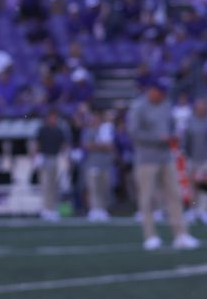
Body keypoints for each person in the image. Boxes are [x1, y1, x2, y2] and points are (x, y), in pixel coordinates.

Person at [127, 78, 199, 250]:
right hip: (146, 159)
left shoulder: (166, 104)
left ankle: (181, 234)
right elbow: (134, 133)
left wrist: (173, 134)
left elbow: (171, 125)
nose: (163, 94)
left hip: (166, 157)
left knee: (174, 195)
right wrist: (158, 139)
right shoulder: (139, 107)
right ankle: (150, 236)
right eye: (161, 91)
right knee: (147, 198)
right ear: (152, 90)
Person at [31, 109, 70, 221]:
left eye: (55, 118)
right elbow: (36, 144)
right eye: (52, 117)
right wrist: (35, 157)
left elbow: (63, 145)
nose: (54, 120)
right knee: (46, 185)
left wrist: (65, 158)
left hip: (55, 158)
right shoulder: (43, 130)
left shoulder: (59, 131)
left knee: (55, 185)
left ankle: (52, 208)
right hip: (45, 158)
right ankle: (45, 209)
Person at [81, 108, 116, 221]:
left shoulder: (106, 129)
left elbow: (110, 146)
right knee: (93, 188)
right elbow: (87, 146)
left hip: (105, 164)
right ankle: (94, 210)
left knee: (104, 188)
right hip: (92, 163)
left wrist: (98, 146)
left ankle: (102, 209)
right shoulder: (88, 131)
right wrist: (101, 146)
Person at [183, 98, 207, 223]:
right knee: (192, 186)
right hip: (192, 158)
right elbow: (185, 141)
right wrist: (187, 155)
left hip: (205, 160)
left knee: (204, 186)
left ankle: (202, 210)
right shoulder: (190, 121)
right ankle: (192, 209)